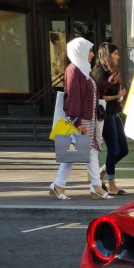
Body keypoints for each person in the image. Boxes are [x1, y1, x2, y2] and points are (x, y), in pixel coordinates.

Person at [50, 37, 109, 200]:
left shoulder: (83, 69)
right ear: (80, 51)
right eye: (89, 51)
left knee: (82, 152)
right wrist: (77, 120)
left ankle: (61, 185)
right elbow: (73, 97)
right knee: (80, 152)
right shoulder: (73, 70)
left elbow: (90, 94)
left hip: (89, 118)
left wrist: (106, 84)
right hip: (81, 119)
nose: (91, 54)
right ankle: (92, 186)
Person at [93, 42, 128, 195]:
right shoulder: (100, 72)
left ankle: (102, 172)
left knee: (123, 149)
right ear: (107, 55)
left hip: (114, 112)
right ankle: (112, 184)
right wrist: (117, 96)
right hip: (105, 114)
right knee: (113, 148)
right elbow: (99, 97)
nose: (118, 56)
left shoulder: (111, 71)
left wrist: (120, 98)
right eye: (115, 54)